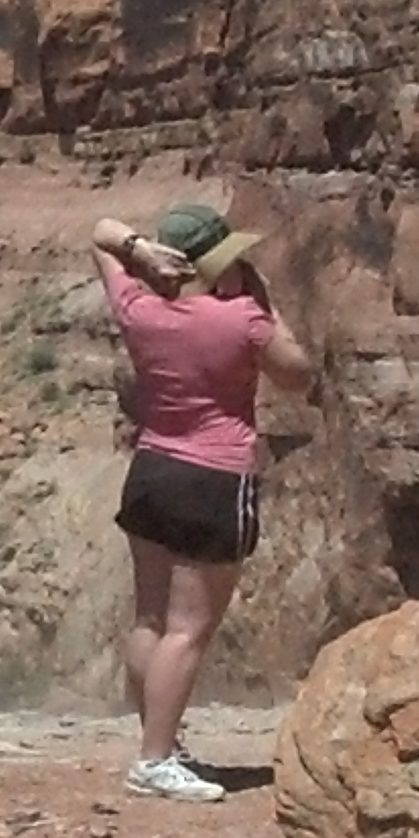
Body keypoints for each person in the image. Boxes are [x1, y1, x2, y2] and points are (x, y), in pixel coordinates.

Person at [87, 202, 317, 801]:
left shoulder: (138, 309)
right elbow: (299, 374)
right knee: (188, 631)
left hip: (151, 470)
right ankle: (155, 760)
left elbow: (102, 235)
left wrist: (138, 250)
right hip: (213, 479)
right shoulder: (243, 321)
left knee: (150, 618)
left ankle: (159, 743)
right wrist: (267, 304)